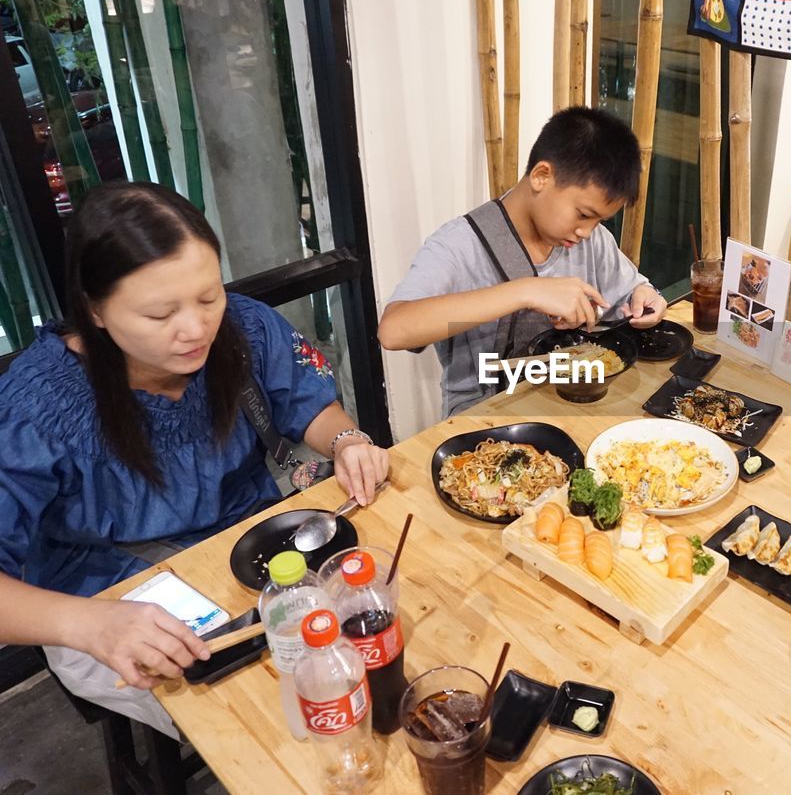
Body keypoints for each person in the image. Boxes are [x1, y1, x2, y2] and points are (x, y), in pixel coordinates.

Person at [0, 182, 390, 737]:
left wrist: (348, 440)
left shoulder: (244, 328)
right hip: (112, 604)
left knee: (374, 643)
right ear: (96, 311)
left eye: (208, 297)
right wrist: (86, 624)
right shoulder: (35, 410)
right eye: (161, 314)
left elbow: (307, 405)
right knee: (280, 724)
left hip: (255, 556)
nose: (197, 328)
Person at [379, 106, 667, 416]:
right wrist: (526, 291)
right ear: (542, 176)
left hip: (573, 403)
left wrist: (644, 297)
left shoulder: (587, 237)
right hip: (487, 419)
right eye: (583, 214)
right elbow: (394, 330)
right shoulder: (459, 245)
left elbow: (629, 292)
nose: (587, 231)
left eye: (599, 220)